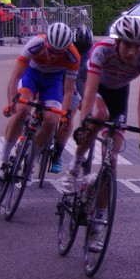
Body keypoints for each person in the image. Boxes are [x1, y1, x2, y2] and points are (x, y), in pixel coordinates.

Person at [60, 16, 140, 254]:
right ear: (117, 42)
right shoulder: (102, 50)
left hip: (118, 94)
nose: (132, 52)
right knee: (99, 115)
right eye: (127, 45)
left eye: (138, 46)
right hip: (93, 84)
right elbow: (91, 91)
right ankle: (74, 166)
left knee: (111, 159)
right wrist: (83, 125)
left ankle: (97, 226)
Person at [0, 22, 79, 181]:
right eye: (51, 51)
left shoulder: (73, 56)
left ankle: (31, 162)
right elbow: (15, 77)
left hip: (53, 82)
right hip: (32, 76)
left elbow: (68, 91)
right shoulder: (35, 43)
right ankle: (2, 161)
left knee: (52, 120)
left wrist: (64, 116)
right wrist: (11, 104)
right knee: (22, 110)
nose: (54, 56)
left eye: (59, 53)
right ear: (46, 43)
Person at [47, 24, 95, 174]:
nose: (80, 53)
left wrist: (84, 99)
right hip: (57, 80)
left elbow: (87, 80)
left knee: (68, 118)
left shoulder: (91, 55)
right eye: (78, 48)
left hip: (74, 85)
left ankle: (57, 155)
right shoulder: (65, 49)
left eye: (84, 50)